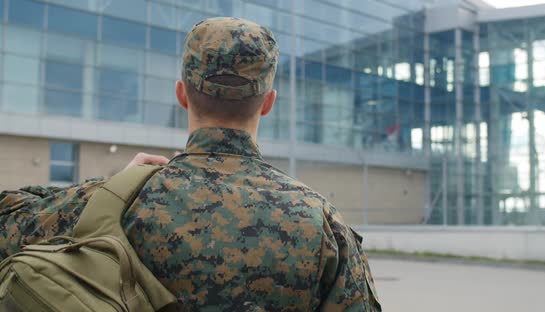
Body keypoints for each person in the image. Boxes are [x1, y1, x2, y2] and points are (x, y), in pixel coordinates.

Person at [0, 17, 380, 311]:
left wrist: (110, 188)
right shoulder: (322, 224)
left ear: (182, 94)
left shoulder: (119, 202)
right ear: (268, 102)